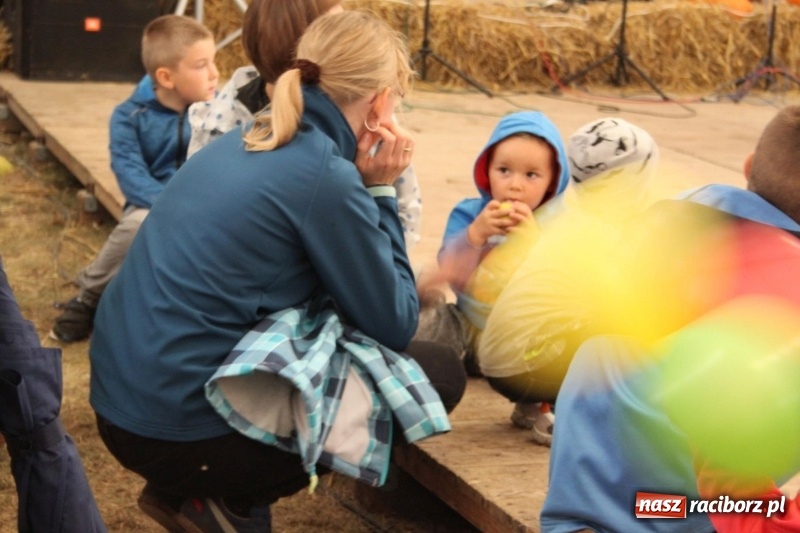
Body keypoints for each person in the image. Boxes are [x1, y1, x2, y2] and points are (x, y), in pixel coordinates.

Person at [89, 11, 466, 532]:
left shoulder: (249, 135)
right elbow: (395, 322)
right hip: (179, 433)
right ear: (381, 103)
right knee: (437, 371)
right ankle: (223, 496)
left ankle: (193, 489)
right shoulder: (324, 174)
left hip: (120, 405)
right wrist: (380, 189)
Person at [541, 105, 800, 533]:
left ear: (749, 167)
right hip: (685, 510)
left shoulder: (675, 212)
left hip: (585, 507)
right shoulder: (785, 287)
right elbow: (730, 484)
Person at [477, 118, 659, 445]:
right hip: (527, 367)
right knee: (622, 330)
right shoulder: (598, 234)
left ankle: (533, 406)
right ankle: (566, 416)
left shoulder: (572, 216)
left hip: (499, 364)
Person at [186, 0, 423, 250]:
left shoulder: (370, 114)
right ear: (312, 55)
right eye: (338, 30)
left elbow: (406, 215)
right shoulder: (222, 126)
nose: (355, 40)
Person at [48, 14, 219, 343]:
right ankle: (90, 296)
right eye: (201, 65)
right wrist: (170, 209)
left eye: (214, 62)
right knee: (138, 224)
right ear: (166, 77)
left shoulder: (218, 110)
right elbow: (131, 176)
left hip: (205, 208)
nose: (215, 74)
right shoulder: (128, 117)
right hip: (151, 205)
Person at [413, 110, 570, 380]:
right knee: (419, 320)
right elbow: (449, 271)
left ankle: (530, 400)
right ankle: (458, 358)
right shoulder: (470, 215)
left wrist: (532, 245)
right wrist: (474, 235)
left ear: (551, 182)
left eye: (531, 175)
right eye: (504, 171)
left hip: (520, 333)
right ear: (487, 170)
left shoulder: (557, 226)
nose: (514, 186)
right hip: (466, 322)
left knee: (572, 344)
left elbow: (560, 287)